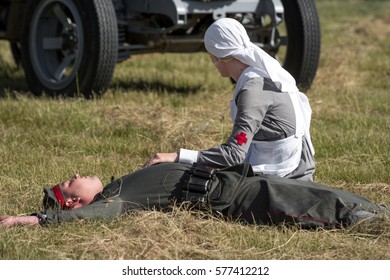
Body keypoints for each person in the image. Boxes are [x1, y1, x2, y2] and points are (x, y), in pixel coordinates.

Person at [145, 18, 316, 181]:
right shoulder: (262, 73)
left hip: (286, 176)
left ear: (219, 56)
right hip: (293, 168)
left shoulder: (253, 91)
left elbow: (235, 153)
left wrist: (178, 156)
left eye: (211, 56)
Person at [0, 163, 387, 228]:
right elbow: (89, 219)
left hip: (241, 181)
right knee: (323, 207)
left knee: (323, 190)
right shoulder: (114, 203)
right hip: (239, 199)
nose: (76, 174)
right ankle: (371, 222)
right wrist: (34, 219)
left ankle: (378, 210)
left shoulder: (119, 187)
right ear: (72, 202)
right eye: (71, 183)